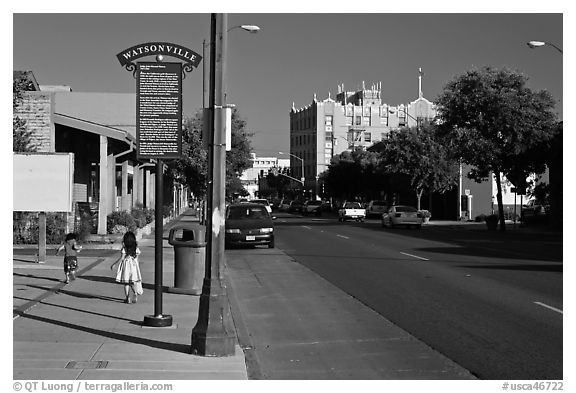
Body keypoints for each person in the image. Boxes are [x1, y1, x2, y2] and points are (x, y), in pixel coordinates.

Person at [110, 231, 142, 304]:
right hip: (134, 266)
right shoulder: (136, 248)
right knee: (133, 282)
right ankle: (135, 293)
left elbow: (121, 258)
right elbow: (137, 258)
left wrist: (114, 264)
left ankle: (127, 297)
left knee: (126, 283)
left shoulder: (124, 249)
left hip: (126, 266)